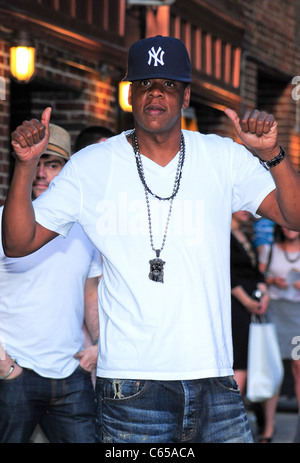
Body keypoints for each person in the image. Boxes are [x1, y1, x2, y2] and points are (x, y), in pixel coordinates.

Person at [2, 35, 300, 443]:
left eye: (168, 84)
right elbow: (18, 243)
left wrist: (273, 155)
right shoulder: (93, 165)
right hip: (131, 385)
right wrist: (25, 166)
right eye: (144, 83)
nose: (155, 93)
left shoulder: (222, 156)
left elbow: (294, 217)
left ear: (186, 95)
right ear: (129, 94)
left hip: (215, 379)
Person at [0, 123, 102, 443]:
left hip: (70, 373)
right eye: (37, 163)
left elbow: (90, 292)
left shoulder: (86, 228)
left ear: (67, 170)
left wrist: (100, 345)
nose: (42, 174)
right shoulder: (3, 221)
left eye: (53, 164)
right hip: (13, 372)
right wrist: (3, 363)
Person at [259, 225, 300, 442]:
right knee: (273, 371)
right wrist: (273, 281)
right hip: (274, 313)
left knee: (298, 368)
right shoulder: (269, 249)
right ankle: (268, 428)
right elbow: (257, 277)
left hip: (297, 315)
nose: (289, 227)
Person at [231, 210, 269, 393]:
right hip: (235, 305)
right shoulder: (223, 236)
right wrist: (246, 301)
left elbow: (255, 270)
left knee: (248, 356)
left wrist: (264, 292)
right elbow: (228, 273)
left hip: (251, 305)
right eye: (241, 206)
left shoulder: (245, 234)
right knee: (239, 358)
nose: (247, 210)